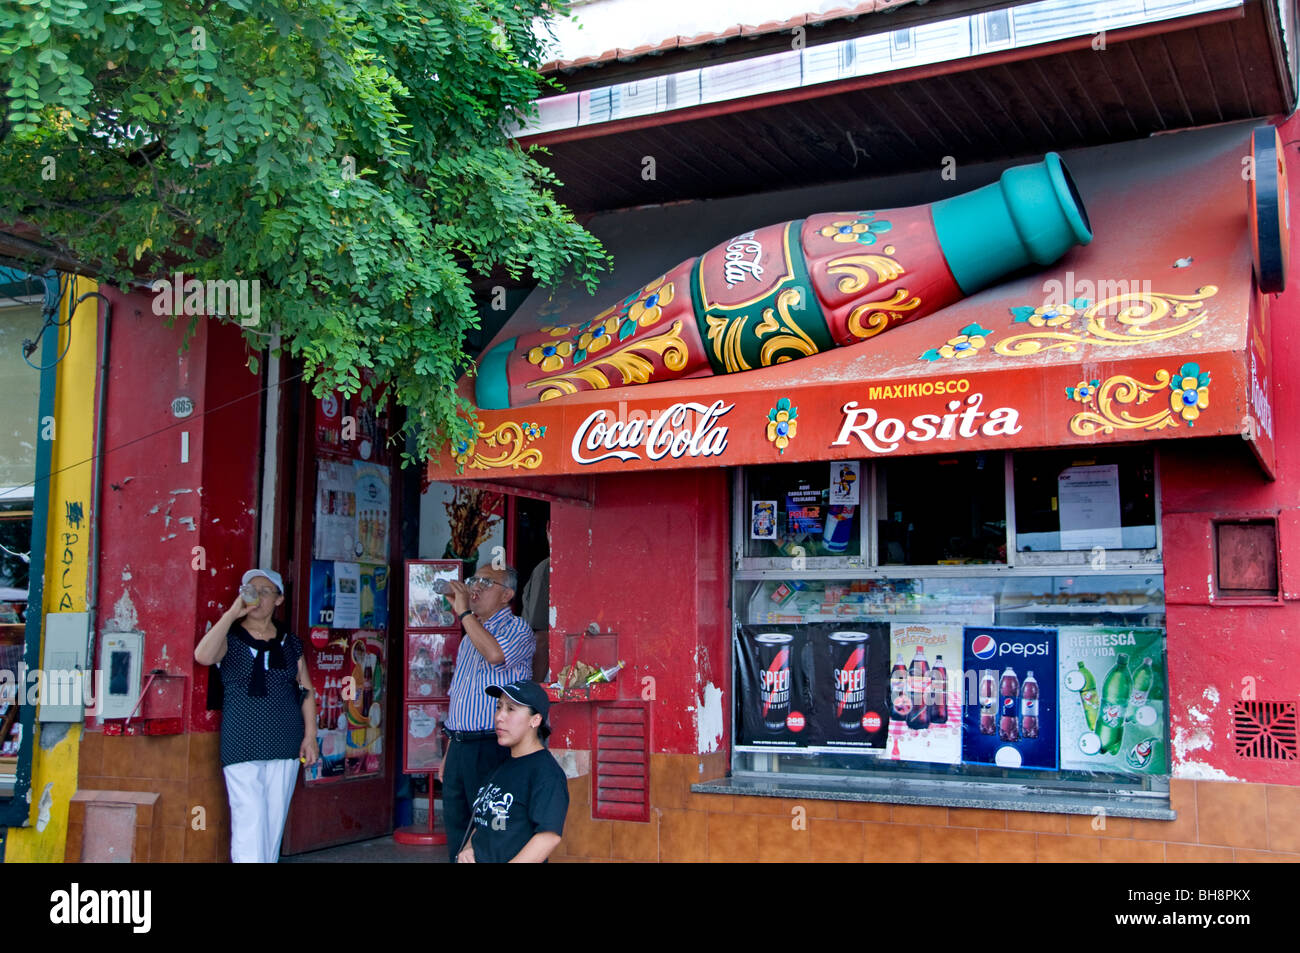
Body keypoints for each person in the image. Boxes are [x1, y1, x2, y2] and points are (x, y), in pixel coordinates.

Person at [194, 568, 319, 863]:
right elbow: (203, 656)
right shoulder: (232, 636)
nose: (258, 597)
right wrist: (233, 611)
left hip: (285, 742)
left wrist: (310, 736)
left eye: (265, 591)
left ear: (279, 599)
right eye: (251, 590)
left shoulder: (290, 642)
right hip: (242, 742)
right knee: (249, 820)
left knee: (273, 825)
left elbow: (306, 690)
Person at [439, 565, 535, 862]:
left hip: (492, 746)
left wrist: (465, 613)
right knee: (457, 829)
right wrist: (448, 754)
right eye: (472, 581)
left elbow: (495, 655)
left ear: (507, 594)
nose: (474, 588)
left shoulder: (518, 629)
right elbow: (459, 698)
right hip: (460, 747)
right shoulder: (469, 637)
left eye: (485, 582)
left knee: (491, 829)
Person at [456, 680, 568, 863]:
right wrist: (469, 847)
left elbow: (548, 837)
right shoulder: (502, 765)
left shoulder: (546, 774)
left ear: (535, 720)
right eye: (499, 707)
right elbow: (485, 819)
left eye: (511, 709)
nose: (499, 716)